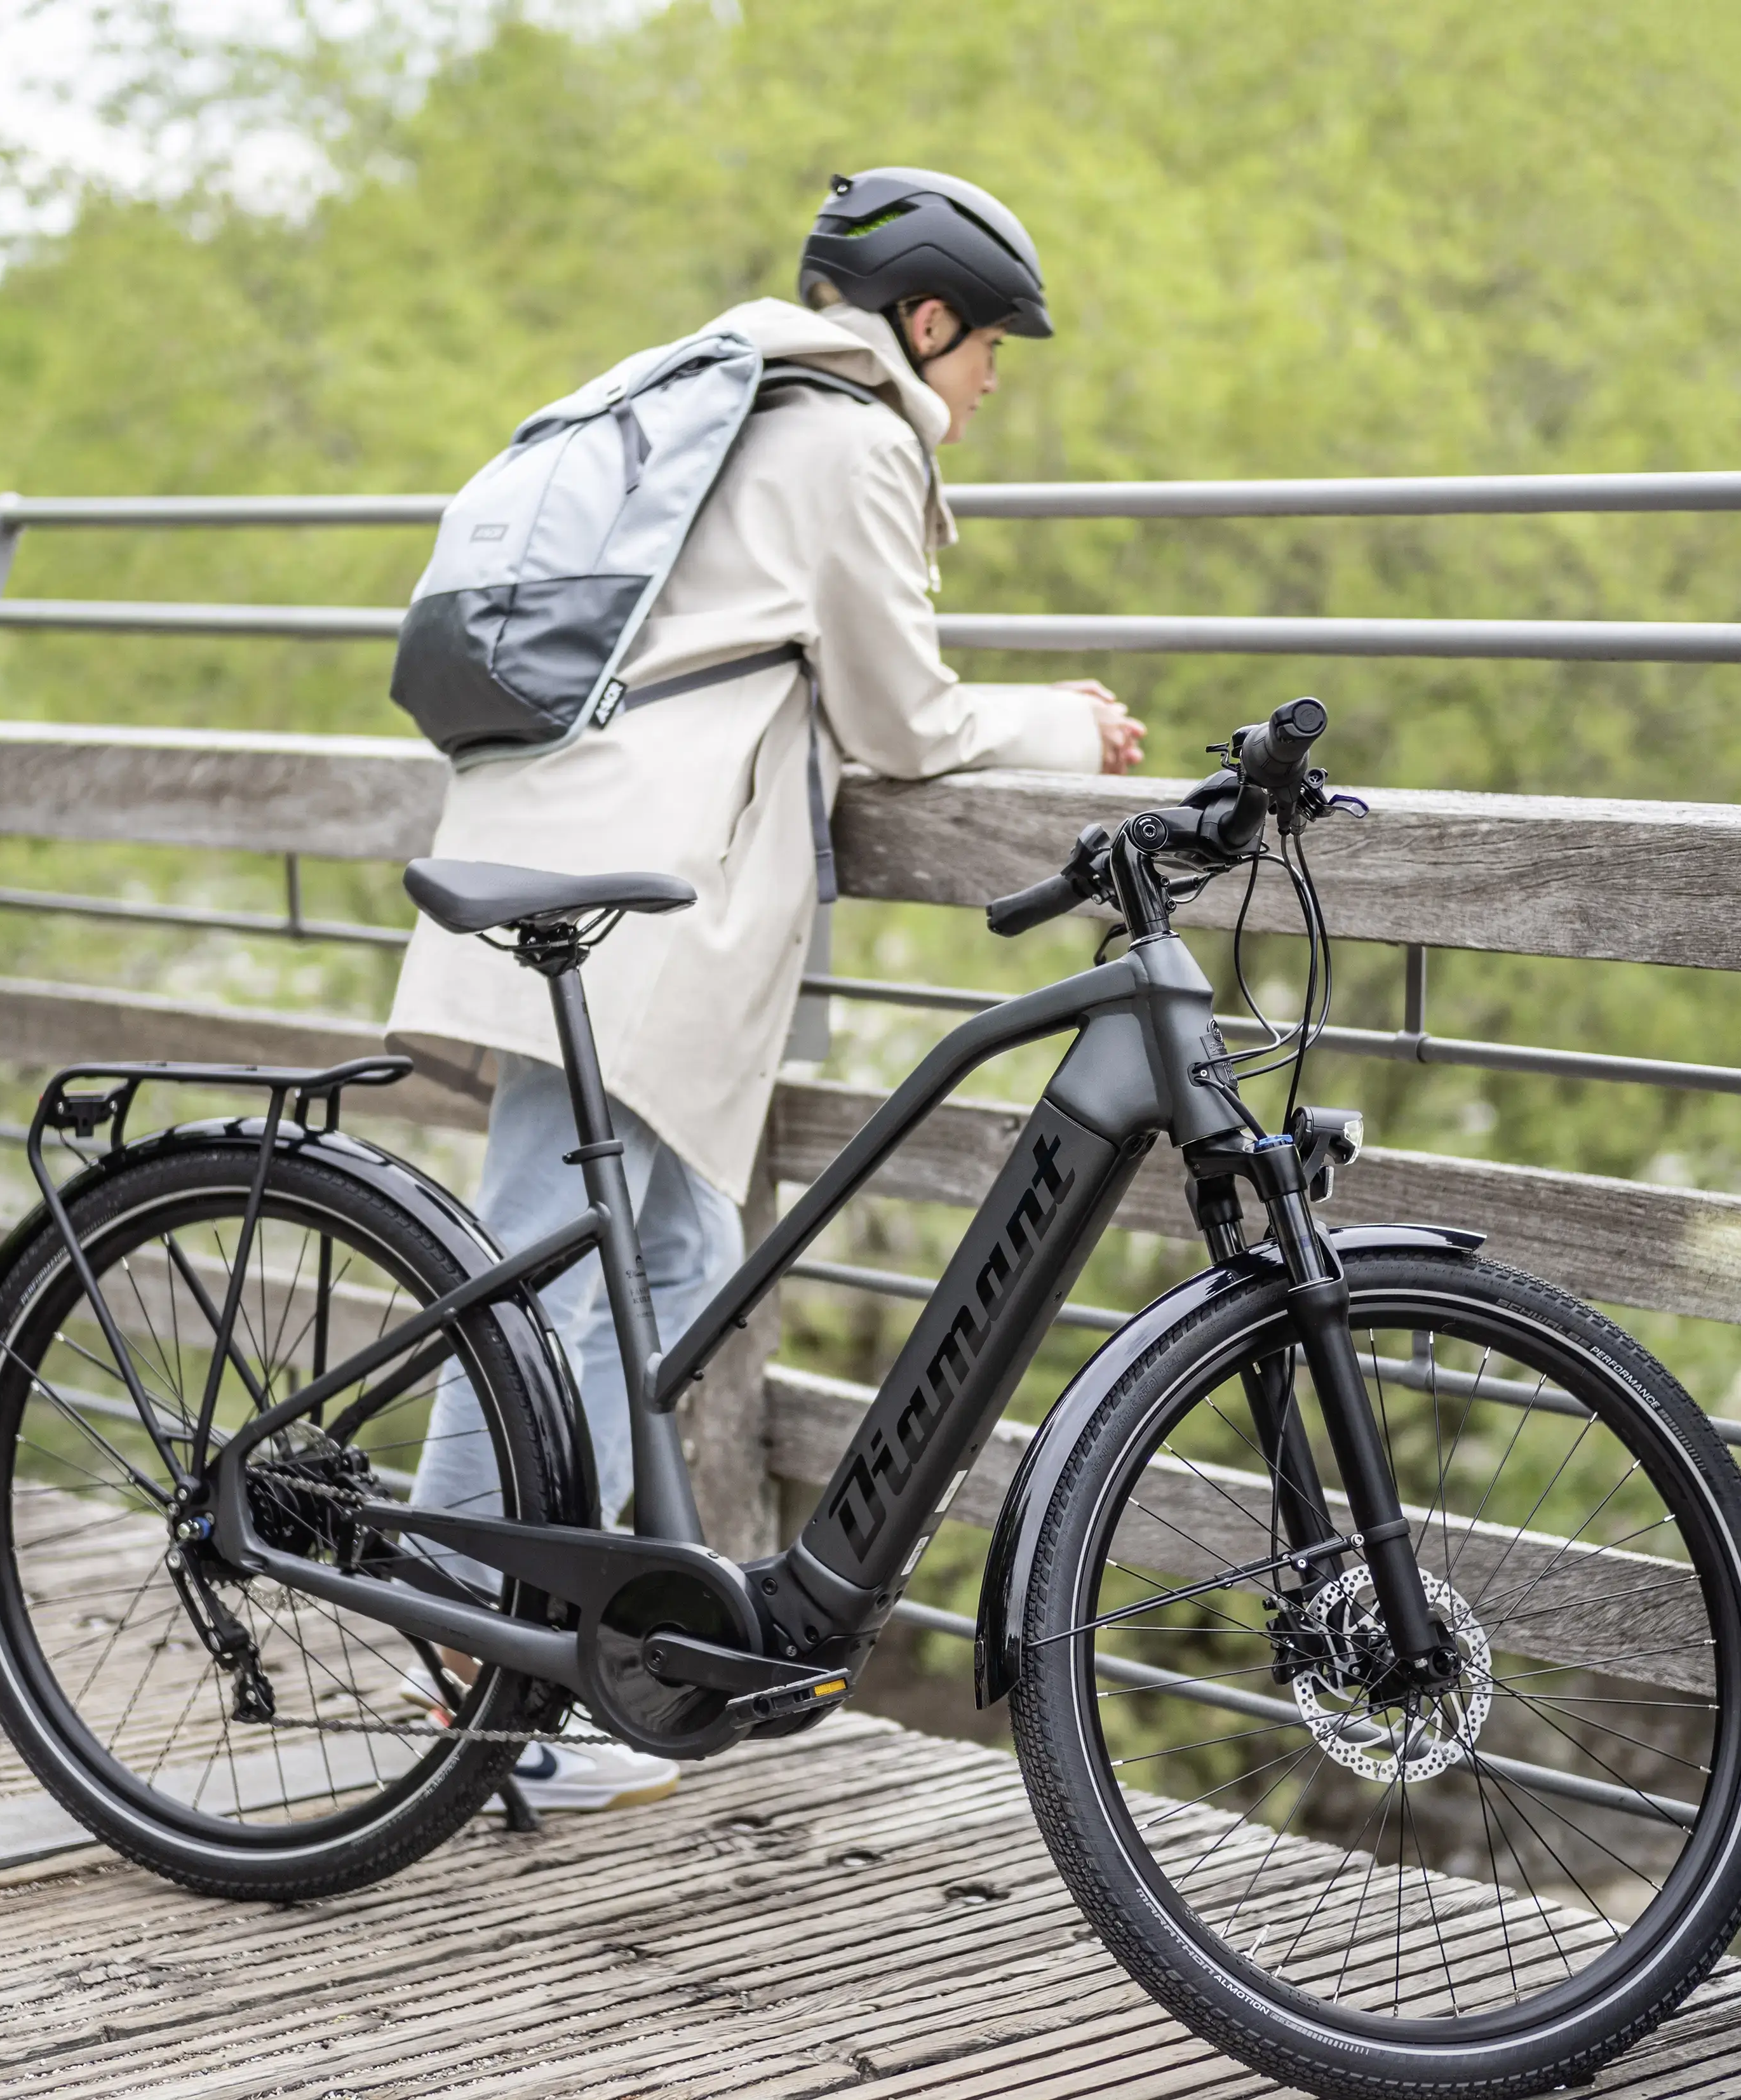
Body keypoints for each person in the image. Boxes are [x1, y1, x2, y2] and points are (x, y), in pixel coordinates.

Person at [386, 168, 1145, 1810]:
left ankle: (582, 1658)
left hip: (593, 842)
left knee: (672, 1252)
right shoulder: (851, 442)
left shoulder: (753, 402)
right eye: (992, 345)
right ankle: (462, 1653)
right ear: (926, 321)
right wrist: (1072, 731)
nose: (996, 382)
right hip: (637, 881)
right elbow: (905, 724)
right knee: (550, 1271)